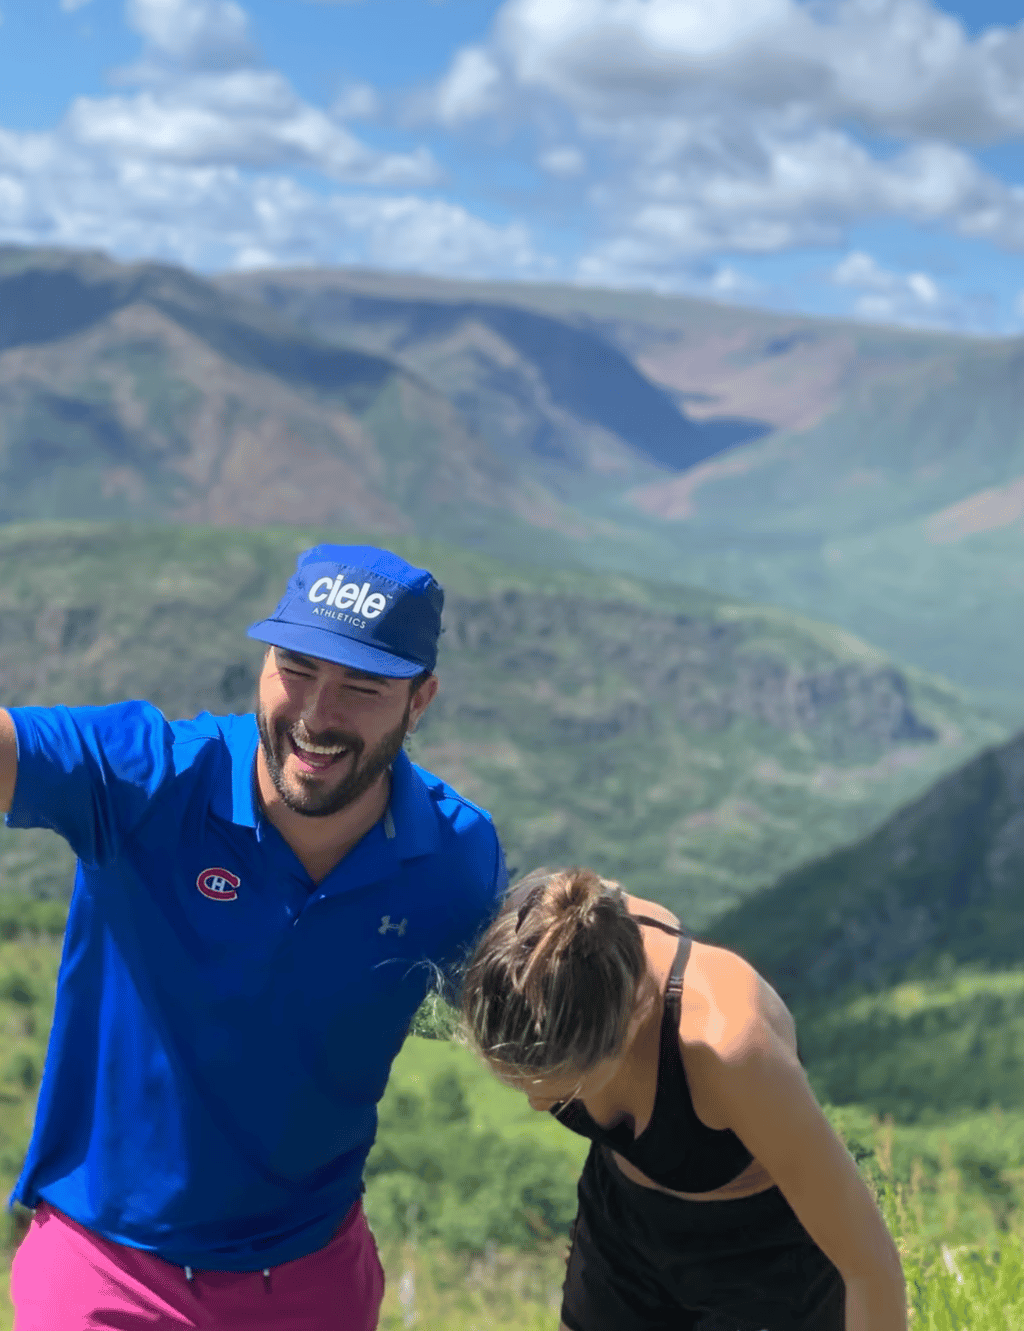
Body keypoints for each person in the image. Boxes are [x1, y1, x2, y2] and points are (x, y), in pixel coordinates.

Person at [0, 543, 507, 1330]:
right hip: (106, 1265)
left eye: (362, 686)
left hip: (313, 1277)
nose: (315, 712)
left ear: (420, 700)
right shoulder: (150, 780)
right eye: (295, 668)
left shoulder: (458, 858)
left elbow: (553, 1003)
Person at [459, 867, 907, 1331]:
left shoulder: (729, 1048)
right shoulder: (540, 943)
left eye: (564, 1089)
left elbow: (869, 1269)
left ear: (633, 1017)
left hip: (763, 1258)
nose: (537, 1105)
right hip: (621, 1223)